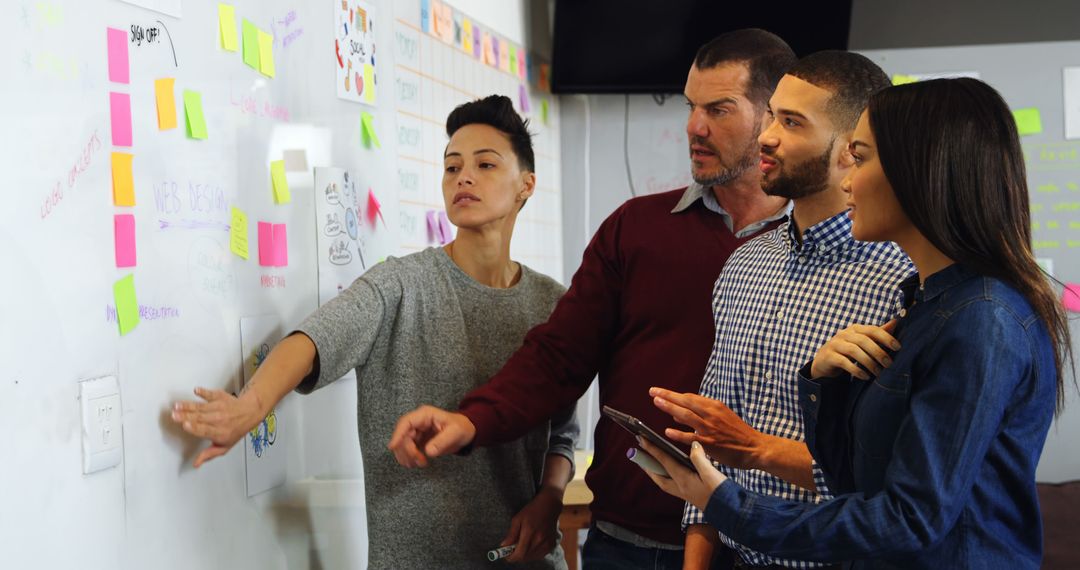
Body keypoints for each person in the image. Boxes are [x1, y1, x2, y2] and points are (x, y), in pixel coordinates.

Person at [389, 29, 796, 569]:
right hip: (631, 544)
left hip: (775, 544)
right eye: (691, 107)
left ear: (775, 118)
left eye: (719, 110)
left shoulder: (827, 243)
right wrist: (471, 422)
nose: (694, 128)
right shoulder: (636, 228)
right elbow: (559, 355)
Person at [638, 77, 1073, 569]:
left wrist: (732, 505)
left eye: (861, 159)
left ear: (920, 171)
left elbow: (909, 518)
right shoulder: (928, 301)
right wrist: (823, 379)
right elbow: (859, 480)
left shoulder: (983, 319)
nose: (847, 181)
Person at [171, 95, 579, 570]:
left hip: (524, 561)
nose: (463, 177)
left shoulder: (553, 303)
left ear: (526, 185)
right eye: (451, 167)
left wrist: (551, 496)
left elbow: (562, 428)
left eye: (485, 164)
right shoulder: (401, 283)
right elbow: (314, 339)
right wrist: (250, 407)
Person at [649, 51, 914, 570]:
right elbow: (711, 449)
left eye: (791, 123)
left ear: (850, 150)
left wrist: (753, 447)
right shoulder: (745, 265)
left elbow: (900, 476)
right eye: (771, 116)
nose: (766, 137)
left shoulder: (904, 279)